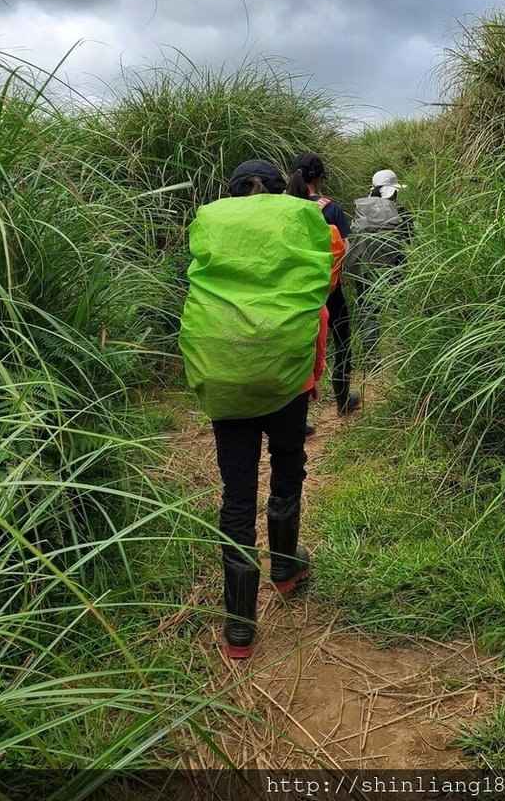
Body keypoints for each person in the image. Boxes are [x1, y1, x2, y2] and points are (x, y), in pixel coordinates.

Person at [178, 159, 333, 660]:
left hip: (225, 380)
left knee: (237, 496)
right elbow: (322, 296)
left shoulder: (210, 223)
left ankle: (240, 628)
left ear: (230, 194)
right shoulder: (303, 221)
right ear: (279, 189)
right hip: (286, 377)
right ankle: (286, 567)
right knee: (289, 466)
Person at [288, 151, 361, 416]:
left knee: (294, 344)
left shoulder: (280, 206)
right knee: (342, 339)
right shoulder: (329, 208)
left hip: (291, 289)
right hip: (328, 289)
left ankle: (297, 413)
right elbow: (346, 246)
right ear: (319, 178)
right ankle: (343, 398)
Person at [346, 169, 412, 359]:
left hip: (363, 265)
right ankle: (403, 351)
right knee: (400, 306)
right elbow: (410, 240)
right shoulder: (401, 211)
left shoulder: (361, 209)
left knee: (368, 309)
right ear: (392, 190)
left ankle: (370, 356)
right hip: (394, 266)